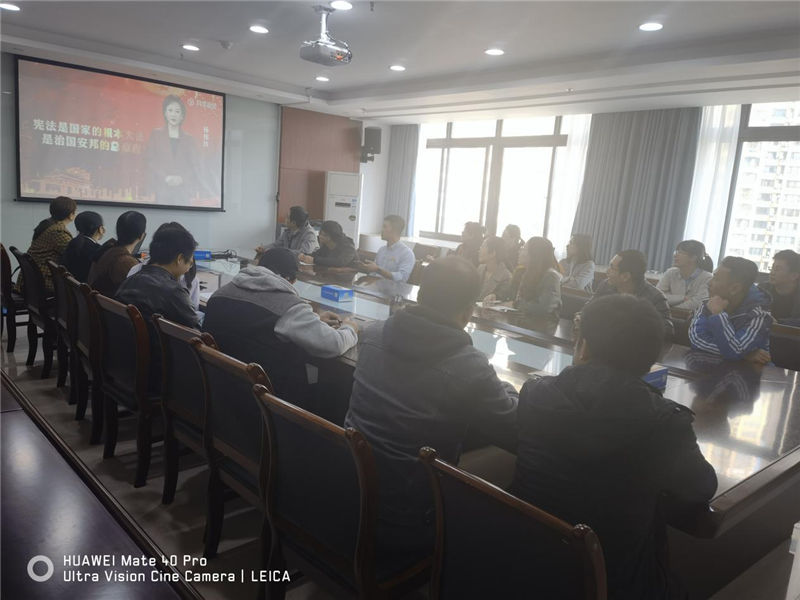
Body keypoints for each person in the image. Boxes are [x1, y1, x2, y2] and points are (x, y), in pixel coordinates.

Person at [512, 294, 717, 600]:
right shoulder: (664, 422)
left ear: (583, 346)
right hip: (615, 583)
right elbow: (701, 487)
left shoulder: (535, 393)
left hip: (523, 561)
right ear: (650, 359)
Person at [345, 255, 518, 559]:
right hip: (411, 518)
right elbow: (513, 427)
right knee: (510, 457)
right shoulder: (470, 365)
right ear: (467, 312)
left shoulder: (373, 334)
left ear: (420, 295)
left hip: (351, 488)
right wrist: (508, 387)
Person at [203, 248, 358, 407]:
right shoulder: (288, 306)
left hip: (219, 388)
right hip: (270, 400)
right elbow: (333, 344)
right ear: (290, 279)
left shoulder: (220, 293)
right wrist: (349, 327)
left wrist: (314, 319)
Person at [689, 256, 773, 363]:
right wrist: (745, 355)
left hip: (752, 371)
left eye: (716, 279)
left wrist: (718, 315)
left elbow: (736, 351)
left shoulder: (759, 314)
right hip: (711, 365)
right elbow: (697, 340)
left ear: (735, 288)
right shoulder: (709, 303)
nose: (709, 283)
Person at [115, 222, 198, 329]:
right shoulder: (173, 292)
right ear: (180, 259)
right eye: (190, 262)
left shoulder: (131, 280)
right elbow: (195, 331)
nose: (189, 268)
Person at [146, 94, 211, 206]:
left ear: (182, 116)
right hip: (162, 189)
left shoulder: (189, 139)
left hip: (183, 192)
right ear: (165, 113)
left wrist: (182, 178)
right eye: (170, 110)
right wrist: (165, 177)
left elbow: (195, 165)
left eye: (177, 111)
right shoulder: (156, 134)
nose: (173, 114)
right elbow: (150, 161)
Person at [592, 250, 673, 337]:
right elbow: (589, 309)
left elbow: (667, 331)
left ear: (625, 276)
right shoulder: (605, 286)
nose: (607, 271)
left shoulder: (655, 297)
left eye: (612, 268)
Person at [18, 196, 76, 294]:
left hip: (31, 279)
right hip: (43, 282)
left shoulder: (46, 224)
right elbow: (73, 254)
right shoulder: (58, 231)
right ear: (71, 215)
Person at [497, 237, 562, 319]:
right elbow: (509, 296)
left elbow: (543, 308)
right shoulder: (520, 272)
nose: (519, 251)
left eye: (523, 249)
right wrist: (495, 296)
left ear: (534, 254)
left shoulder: (551, 276)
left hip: (539, 324)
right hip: (517, 319)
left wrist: (516, 305)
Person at [88, 211, 146, 297]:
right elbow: (143, 292)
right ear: (142, 236)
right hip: (110, 304)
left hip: (99, 302)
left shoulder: (108, 248)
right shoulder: (125, 262)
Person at [657, 240, 714, 311]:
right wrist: (683, 298)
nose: (675, 255)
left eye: (680, 253)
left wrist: (671, 307)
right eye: (676, 252)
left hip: (692, 317)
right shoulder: (670, 272)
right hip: (667, 314)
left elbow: (697, 304)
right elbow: (657, 297)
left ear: (693, 258)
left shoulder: (707, 278)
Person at [359, 214, 415, 282]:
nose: (381, 230)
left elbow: (402, 278)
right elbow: (374, 273)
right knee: (350, 287)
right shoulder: (382, 250)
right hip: (375, 286)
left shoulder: (407, 253)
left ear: (395, 230)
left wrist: (378, 270)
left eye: (384, 227)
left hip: (392, 288)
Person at [61, 211, 105, 283]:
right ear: (101, 229)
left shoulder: (73, 243)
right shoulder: (98, 250)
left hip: (73, 286)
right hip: (87, 288)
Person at [759, 249, 800, 326]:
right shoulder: (762, 289)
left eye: (777, 269)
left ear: (794, 276)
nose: (772, 272)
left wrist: (778, 323)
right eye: (772, 268)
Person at [476, 236, 511, 301]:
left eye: (482, 247)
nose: (479, 250)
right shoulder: (480, 268)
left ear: (492, 253)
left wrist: (494, 296)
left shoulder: (506, 277)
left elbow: (501, 296)